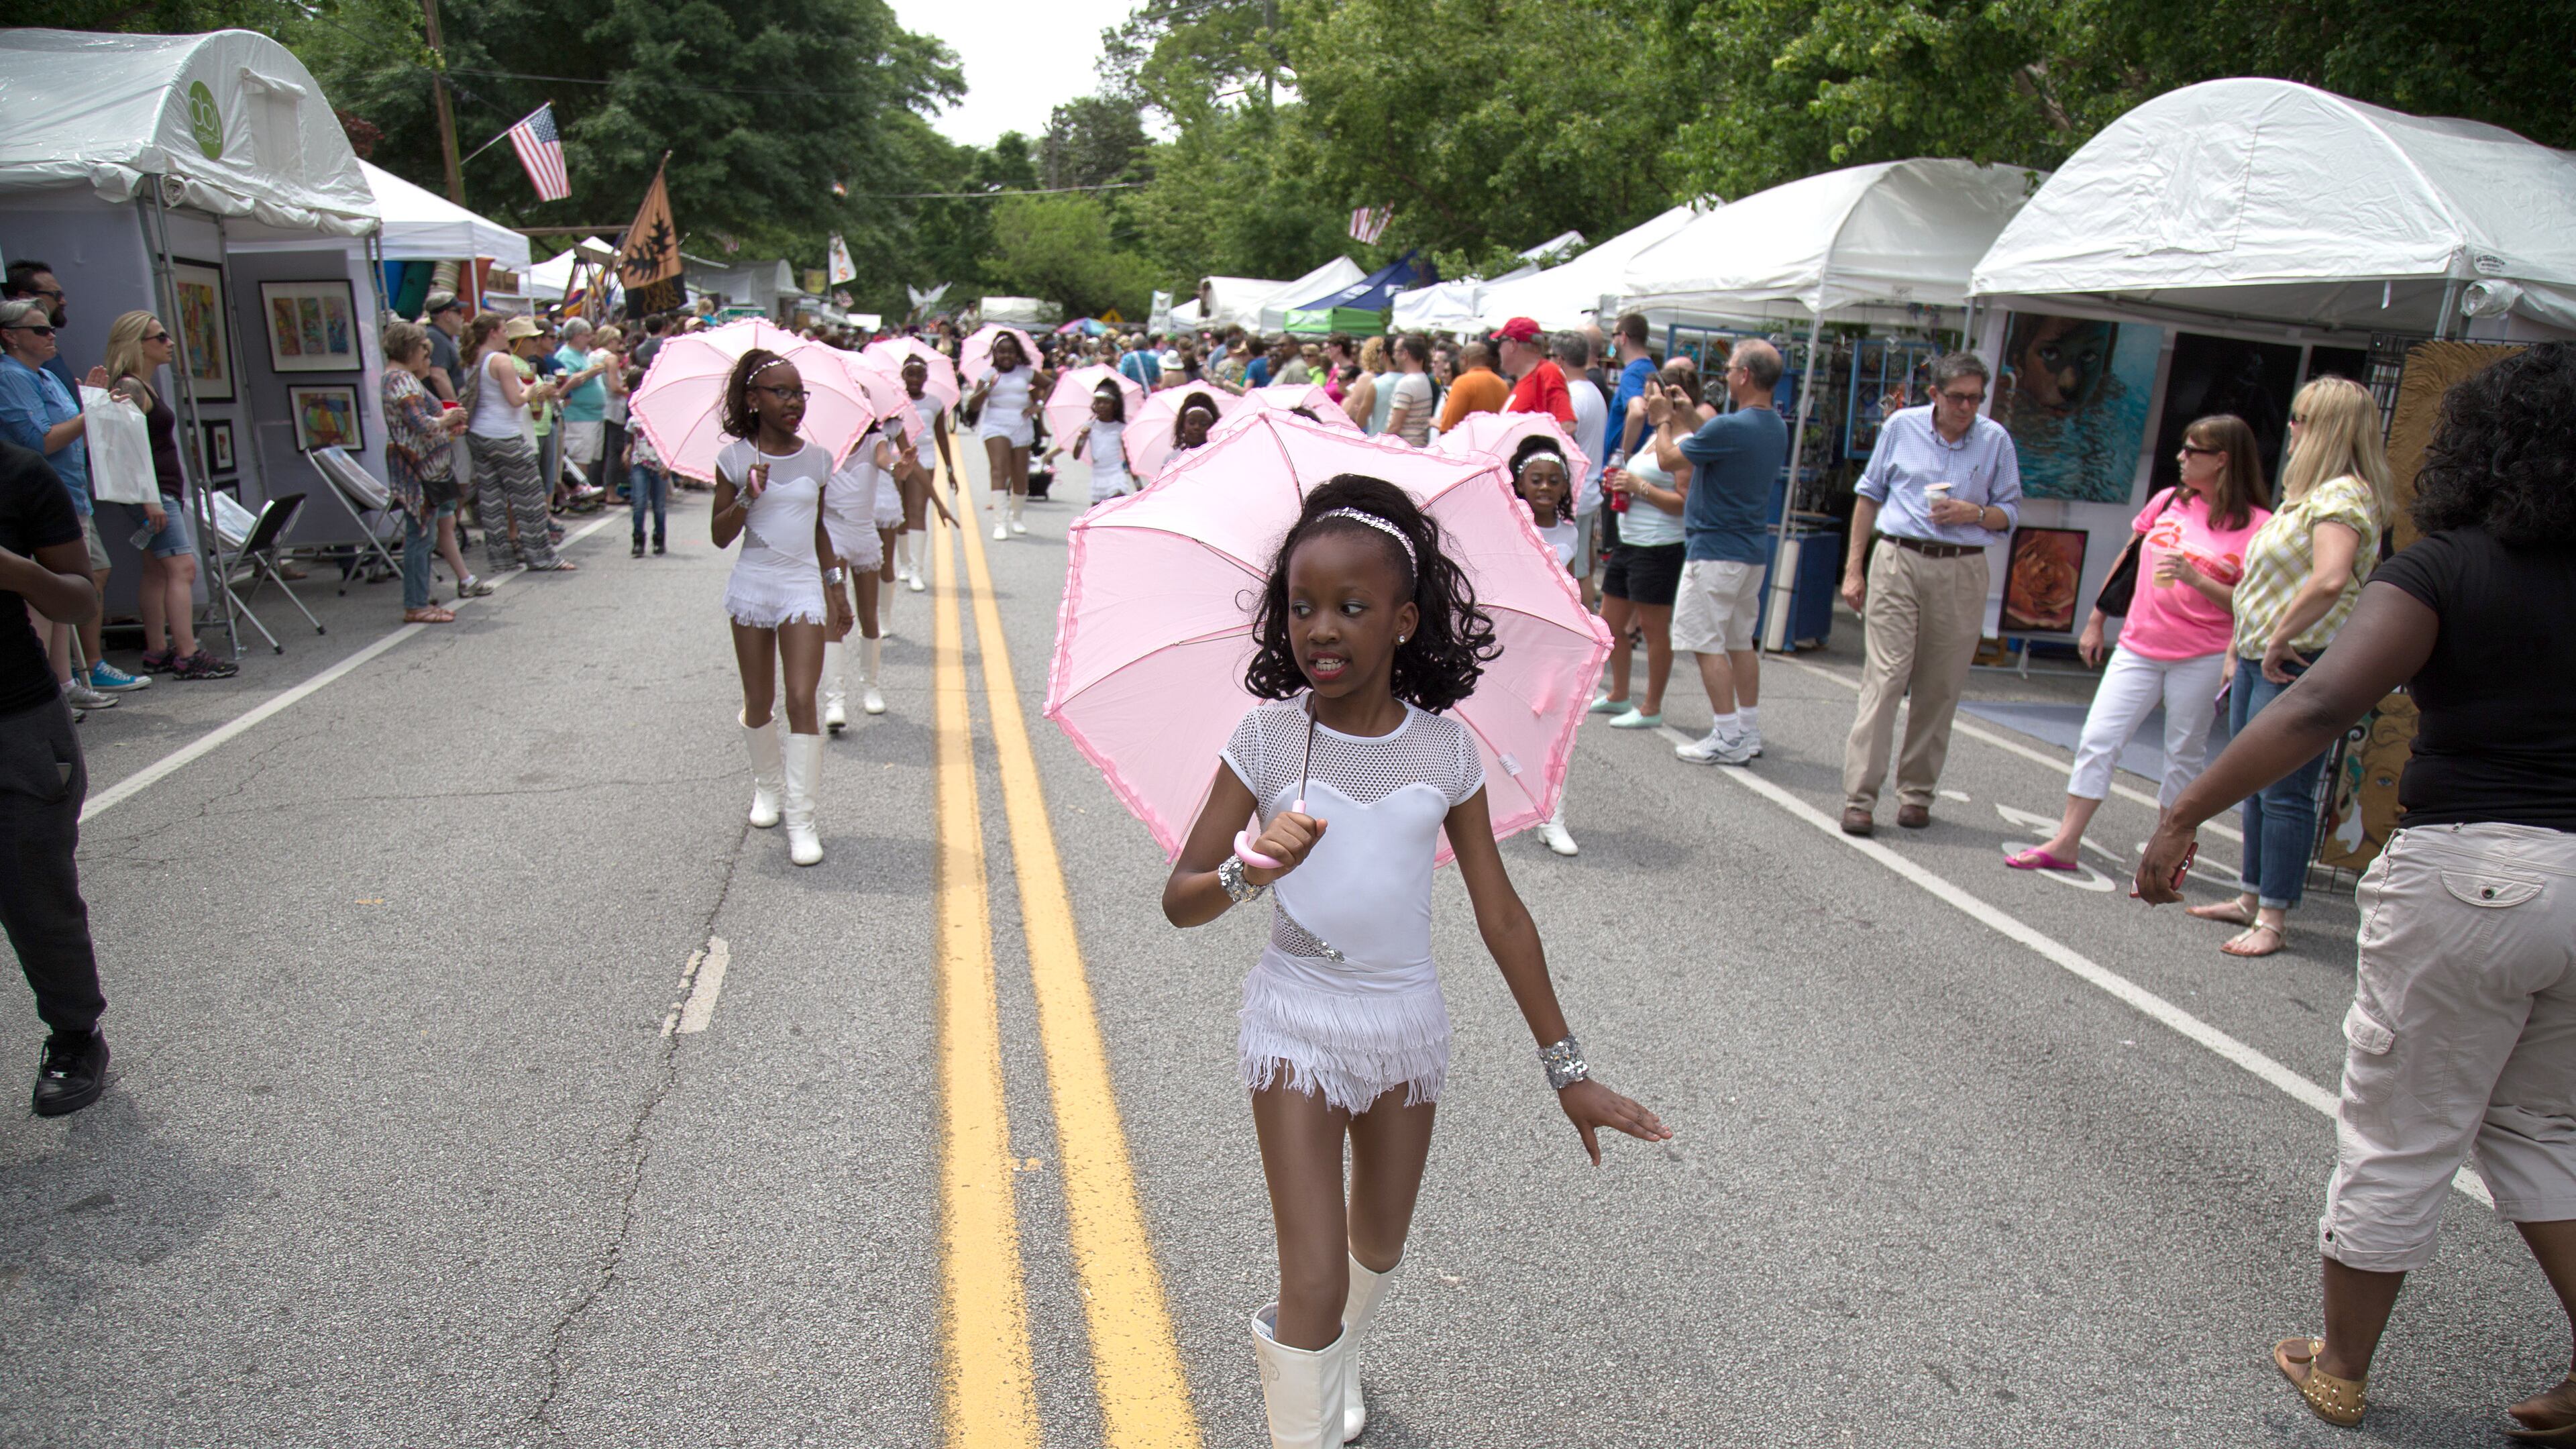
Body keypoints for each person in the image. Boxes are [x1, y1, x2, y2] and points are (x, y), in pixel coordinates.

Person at [1161, 476, 1668, 1448]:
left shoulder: (1445, 753)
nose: (1322, 629)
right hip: (1295, 1021)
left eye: (1352, 608)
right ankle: (1302, 1416)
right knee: (1309, 1276)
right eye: (1303, 606)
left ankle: (1330, 1366)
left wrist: (1570, 1072)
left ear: (1402, 621)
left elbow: (1503, 917)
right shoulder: (1266, 737)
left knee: (1377, 1250)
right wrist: (1249, 865)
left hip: (1406, 1030)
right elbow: (1182, 901)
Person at [2135, 342, 2576, 1436]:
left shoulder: (2448, 570)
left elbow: (2323, 701)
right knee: (2542, 1130)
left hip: (2474, 873)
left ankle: (2338, 1363)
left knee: (2402, 1131)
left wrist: (2187, 811)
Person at [2186, 376, 2394, 956]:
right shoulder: (2313, 494)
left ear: (2326, 428)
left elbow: (2331, 578)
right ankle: (2254, 896)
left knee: (2283, 788)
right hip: (2263, 653)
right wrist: (2244, 642)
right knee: (2255, 780)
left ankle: (2273, 916)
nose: (2292, 430)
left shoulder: (2342, 497)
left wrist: (2278, 635)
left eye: (2301, 419)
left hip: (2297, 656)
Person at [2009, 415, 2269, 872]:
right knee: (2099, 737)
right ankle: (2067, 840)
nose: (2181, 458)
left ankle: (2166, 857)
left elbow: (2250, 602)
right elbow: (2129, 557)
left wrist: (2195, 578)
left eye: (2193, 451)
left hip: (2203, 653)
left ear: (2223, 460)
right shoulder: (2169, 501)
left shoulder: (2258, 527)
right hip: (2139, 643)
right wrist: (2096, 617)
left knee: (2182, 756)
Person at [1836, 353, 2020, 836]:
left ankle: (1916, 792)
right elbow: (1869, 495)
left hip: (1961, 566)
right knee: (1887, 677)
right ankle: (1860, 797)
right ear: (1934, 394)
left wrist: (1974, 513)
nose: (1966, 407)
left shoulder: (1995, 439)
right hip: (1899, 557)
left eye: (1975, 398)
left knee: (1940, 685)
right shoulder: (1902, 426)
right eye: (1957, 397)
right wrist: (1853, 570)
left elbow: (2010, 511)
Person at [0, 437, 109, 1115]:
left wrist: (14, 572)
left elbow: (78, 601)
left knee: (37, 895)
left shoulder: (17, 473)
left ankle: (75, 1035)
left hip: (14, 720)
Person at [712, 350, 843, 867]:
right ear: (753, 399)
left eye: (799, 394)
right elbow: (720, 536)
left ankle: (802, 819)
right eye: (782, 393)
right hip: (753, 584)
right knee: (759, 700)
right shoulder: (734, 459)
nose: (794, 404)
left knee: (801, 697)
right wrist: (746, 496)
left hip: (802, 586)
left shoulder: (818, 459)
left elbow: (818, 529)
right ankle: (767, 789)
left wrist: (836, 590)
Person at [1657, 341, 1788, 766]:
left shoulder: (1729, 429)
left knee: (1705, 641)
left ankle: (1727, 732)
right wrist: (1687, 413)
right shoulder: (1772, 426)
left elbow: (1667, 459)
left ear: (1745, 375)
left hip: (1714, 549)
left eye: (1730, 369)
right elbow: (1713, 436)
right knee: (1738, 642)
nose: (1726, 376)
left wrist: (1663, 421)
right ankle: (1746, 729)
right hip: (1749, 550)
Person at [0, 299, 127, 710]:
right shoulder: (11, 377)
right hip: (44, 501)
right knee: (46, 593)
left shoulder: (47, 377)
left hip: (69, 494)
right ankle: (53, 686)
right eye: (41, 329)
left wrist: (94, 403)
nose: (52, 334)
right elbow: (40, 441)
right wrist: (92, 411)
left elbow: (74, 434)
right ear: (10, 336)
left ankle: (64, 681)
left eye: (51, 327)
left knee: (74, 586)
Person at [99, 311, 239, 678]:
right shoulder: (130, 387)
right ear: (137, 345)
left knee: (157, 570)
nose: (170, 343)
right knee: (182, 567)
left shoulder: (142, 386)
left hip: (158, 489)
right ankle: (188, 653)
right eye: (160, 337)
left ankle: (158, 649)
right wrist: (150, 499)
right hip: (153, 491)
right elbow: (125, 450)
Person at [1593, 367, 1697, 730]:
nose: (1646, 403)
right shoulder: (1656, 437)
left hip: (1660, 545)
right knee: (1610, 624)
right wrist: (1623, 486)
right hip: (1630, 539)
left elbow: (1683, 502)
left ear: (1673, 399)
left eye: (1653, 395)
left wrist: (1639, 487)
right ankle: (1619, 693)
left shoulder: (1686, 443)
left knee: (1654, 630)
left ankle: (1652, 707)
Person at [380, 321, 481, 625]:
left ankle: (420, 598)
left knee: (425, 534)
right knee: (421, 536)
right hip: (419, 472)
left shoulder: (399, 378)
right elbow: (421, 425)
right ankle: (416, 603)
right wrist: (448, 418)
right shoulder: (400, 380)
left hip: (425, 469)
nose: (427, 358)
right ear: (410, 349)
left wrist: (447, 421)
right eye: (423, 352)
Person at [1509, 438, 1583, 857]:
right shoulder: (1509, 520)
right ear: (1519, 481)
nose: (1544, 487)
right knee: (1502, 725)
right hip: (1512, 638)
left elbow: (1575, 587)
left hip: (1553, 642)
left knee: (1557, 728)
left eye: (1554, 481)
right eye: (1536, 479)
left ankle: (1552, 817)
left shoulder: (1571, 530)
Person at [460, 313, 574, 573]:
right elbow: (515, 399)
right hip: (505, 433)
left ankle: (500, 558)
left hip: (479, 433)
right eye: (502, 330)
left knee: (492, 499)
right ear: (493, 333)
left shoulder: (474, 358)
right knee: (530, 497)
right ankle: (542, 556)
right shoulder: (502, 360)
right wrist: (532, 391)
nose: (505, 335)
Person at [821, 418, 898, 730]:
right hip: (832, 539)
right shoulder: (820, 443)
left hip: (864, 537)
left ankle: (871, 686)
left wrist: (897, 465)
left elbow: (884, 461)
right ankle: (835, 700)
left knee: (869, 616)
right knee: (835, 616)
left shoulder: (875, 440)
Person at [965, 330, 1049, 541]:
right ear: (995, 353)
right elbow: (974, 405)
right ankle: (999, 522)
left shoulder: (1026, 373)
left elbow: (1050, 384)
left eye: (1011, 352)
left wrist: (1038, 406)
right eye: (1002, 352)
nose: (1006, 356)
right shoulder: (988, 375)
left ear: (1017, 353)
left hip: (1022, 425)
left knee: (1020, 474)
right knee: (999, 470)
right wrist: (986, 388)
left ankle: (1017, 518)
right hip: (995, 426)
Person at [895, 354, 957, 591]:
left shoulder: (934, 403)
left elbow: (942, 436)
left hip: (926, 459)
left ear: (926, 377)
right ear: (902, 375)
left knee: (918, 511)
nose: (915, 379)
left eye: (920, 374)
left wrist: (950, 469)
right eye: (910, 373)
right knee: (900, 512)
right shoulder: (895, 401)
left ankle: (916, 571)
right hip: (897, 458)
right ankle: (904, 564)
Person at [1558, 332, 1609, 604]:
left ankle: (1586, 636)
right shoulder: (1592, 392)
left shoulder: (1574, 396)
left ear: (1561, 359)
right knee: (1581, 569)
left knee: (1576, 572)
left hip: (1577, 495)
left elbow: (1566, 447)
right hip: (1585, 492)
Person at [551, 318, 615, 499]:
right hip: (579, 416)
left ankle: (584, 492)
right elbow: (566, 382)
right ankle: (578, 494)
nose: (590, 339)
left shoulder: (582, 354)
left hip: (592, 415)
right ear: (576, 336)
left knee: (588, 457)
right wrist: (590, 373)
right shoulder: (566, 355)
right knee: (580, 457)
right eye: (587, 336)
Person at [1495, 318, 1572, 425]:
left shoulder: (1547, 372)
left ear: (1513, 344)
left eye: (1500, 343)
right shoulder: (1526, 379)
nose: (1499, 350)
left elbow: (1566, 425)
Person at [1605, 315, 1657, 462]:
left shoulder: (1633, 372)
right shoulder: (1649, 368)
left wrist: (1623, 455)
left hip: (1626, 467)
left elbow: (1638, 411)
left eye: (1613, 335)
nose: (1612, 341)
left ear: (1623, 337)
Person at [1073, 378, 1132, 505]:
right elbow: (1076, 455)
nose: (1101, 406)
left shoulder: (1121, 428)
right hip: (1098, 477)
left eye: (1106, 402)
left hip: (1116, 476)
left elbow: (1128, 459)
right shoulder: (1090, 426)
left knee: (1114, 510)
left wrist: (1138, 485)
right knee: (1096, 520)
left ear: (1115, 405)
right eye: (1098, 402)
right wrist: (1082, 437)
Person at [1435, 342, 1509, 433]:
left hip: (1467, 443)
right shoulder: (1502, 384)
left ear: (1465, 360)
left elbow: (1448, 426)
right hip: (1494, 442)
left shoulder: (1463, 383)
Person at [627, 414, 669, 558]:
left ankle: (659, 538)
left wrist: (668, 464)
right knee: (639, 501)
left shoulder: (666, 419)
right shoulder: (634, 420)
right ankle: (638, 539)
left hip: (659, 463)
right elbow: (632, 441)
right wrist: (627, 453)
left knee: (659, 505)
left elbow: (672, 444)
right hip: (639, 463)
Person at [1384, 335, 1435, 449]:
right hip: (1417, 446)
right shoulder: (1424, 379)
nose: (1393, 355)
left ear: (1405, 354)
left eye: (1396, 351)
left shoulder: (1406, 383)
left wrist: (1382, 445)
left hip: (1403, 448)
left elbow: (1395, 426)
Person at [420, 290, 468, 402]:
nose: (462, 316)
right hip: (441, 410)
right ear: (447, 315)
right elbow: (438, 376)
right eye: (458, 311)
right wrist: (454, 407)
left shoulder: (441, 336)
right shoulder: (435, 337)